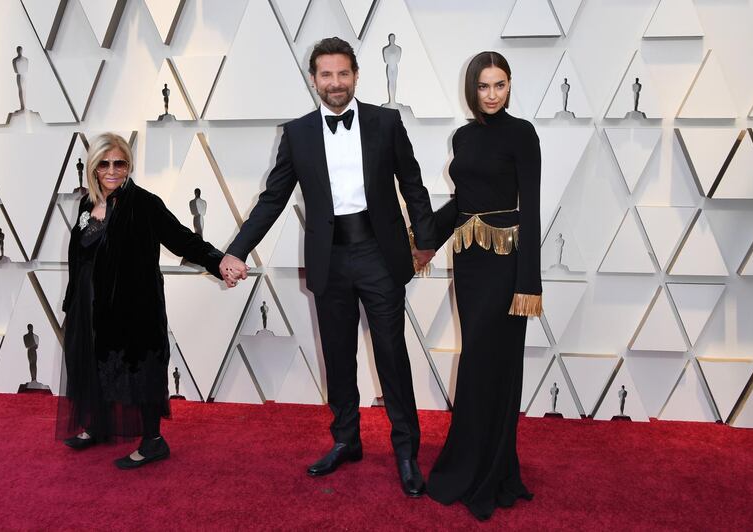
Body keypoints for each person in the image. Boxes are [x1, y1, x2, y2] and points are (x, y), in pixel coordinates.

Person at [221, 37, 436, 497]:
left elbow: (413, 184)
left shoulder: (386, 121)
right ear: (314, 79)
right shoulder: (296, 133)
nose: (335, 83)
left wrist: (427, 239)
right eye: (326, 75)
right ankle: (346, 440)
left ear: (356, 76)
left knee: (391, 356)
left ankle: (405, 450)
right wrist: (237, 250)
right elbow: (272, 199)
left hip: (379, 254)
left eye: (342, 74)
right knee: (337, 357)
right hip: (330, 259)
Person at [57, 133, 233, 469]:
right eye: (104, 163)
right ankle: (97, 425)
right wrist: (72, 300)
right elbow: (76, 257)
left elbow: (183, 240)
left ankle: (153, 441)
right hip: (89, 305)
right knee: (94, 365)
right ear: (93, 167)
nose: (111, 170)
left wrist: (219, 261)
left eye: (119, 163)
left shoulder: (144, 203)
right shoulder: (84, 204)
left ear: (129, 165)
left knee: (142, 370)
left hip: (134, 306)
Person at [426, 51, 542, 521]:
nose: (492, 94)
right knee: (476, 359)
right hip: (470, 261)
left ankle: (490, 470)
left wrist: (528, 284)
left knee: (488, 365)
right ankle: (472, 462)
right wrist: (421, 236)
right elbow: (461, 203)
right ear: (472, 89)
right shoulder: (463, 136)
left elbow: (531, 208)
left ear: (510, 85)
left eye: (500, 85)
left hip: (506, 266)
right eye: (483, 86)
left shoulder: (523, 134)